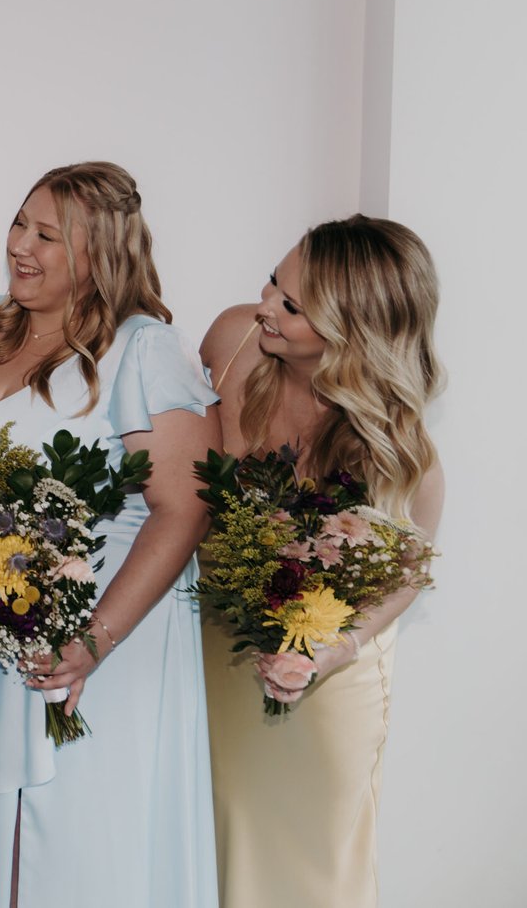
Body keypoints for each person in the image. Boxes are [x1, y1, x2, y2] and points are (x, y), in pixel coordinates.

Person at [0, 162, 220, 907]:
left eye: (49, 235)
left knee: (73, 851)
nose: (22, 246)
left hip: (94, 643)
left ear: (101, 255)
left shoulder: (142, 348)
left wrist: (89, 645)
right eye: (20, 222)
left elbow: (184, 507)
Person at [199, 215, 444, 908]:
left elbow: (407, 575)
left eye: (293, 304)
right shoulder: (232, 340)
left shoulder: (401, 450)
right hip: (216, 657)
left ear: (353, 332)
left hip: (327, 687)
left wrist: (331, 652)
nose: (265, 305)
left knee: (312, 868)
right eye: (275, 278)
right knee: (212, 842)